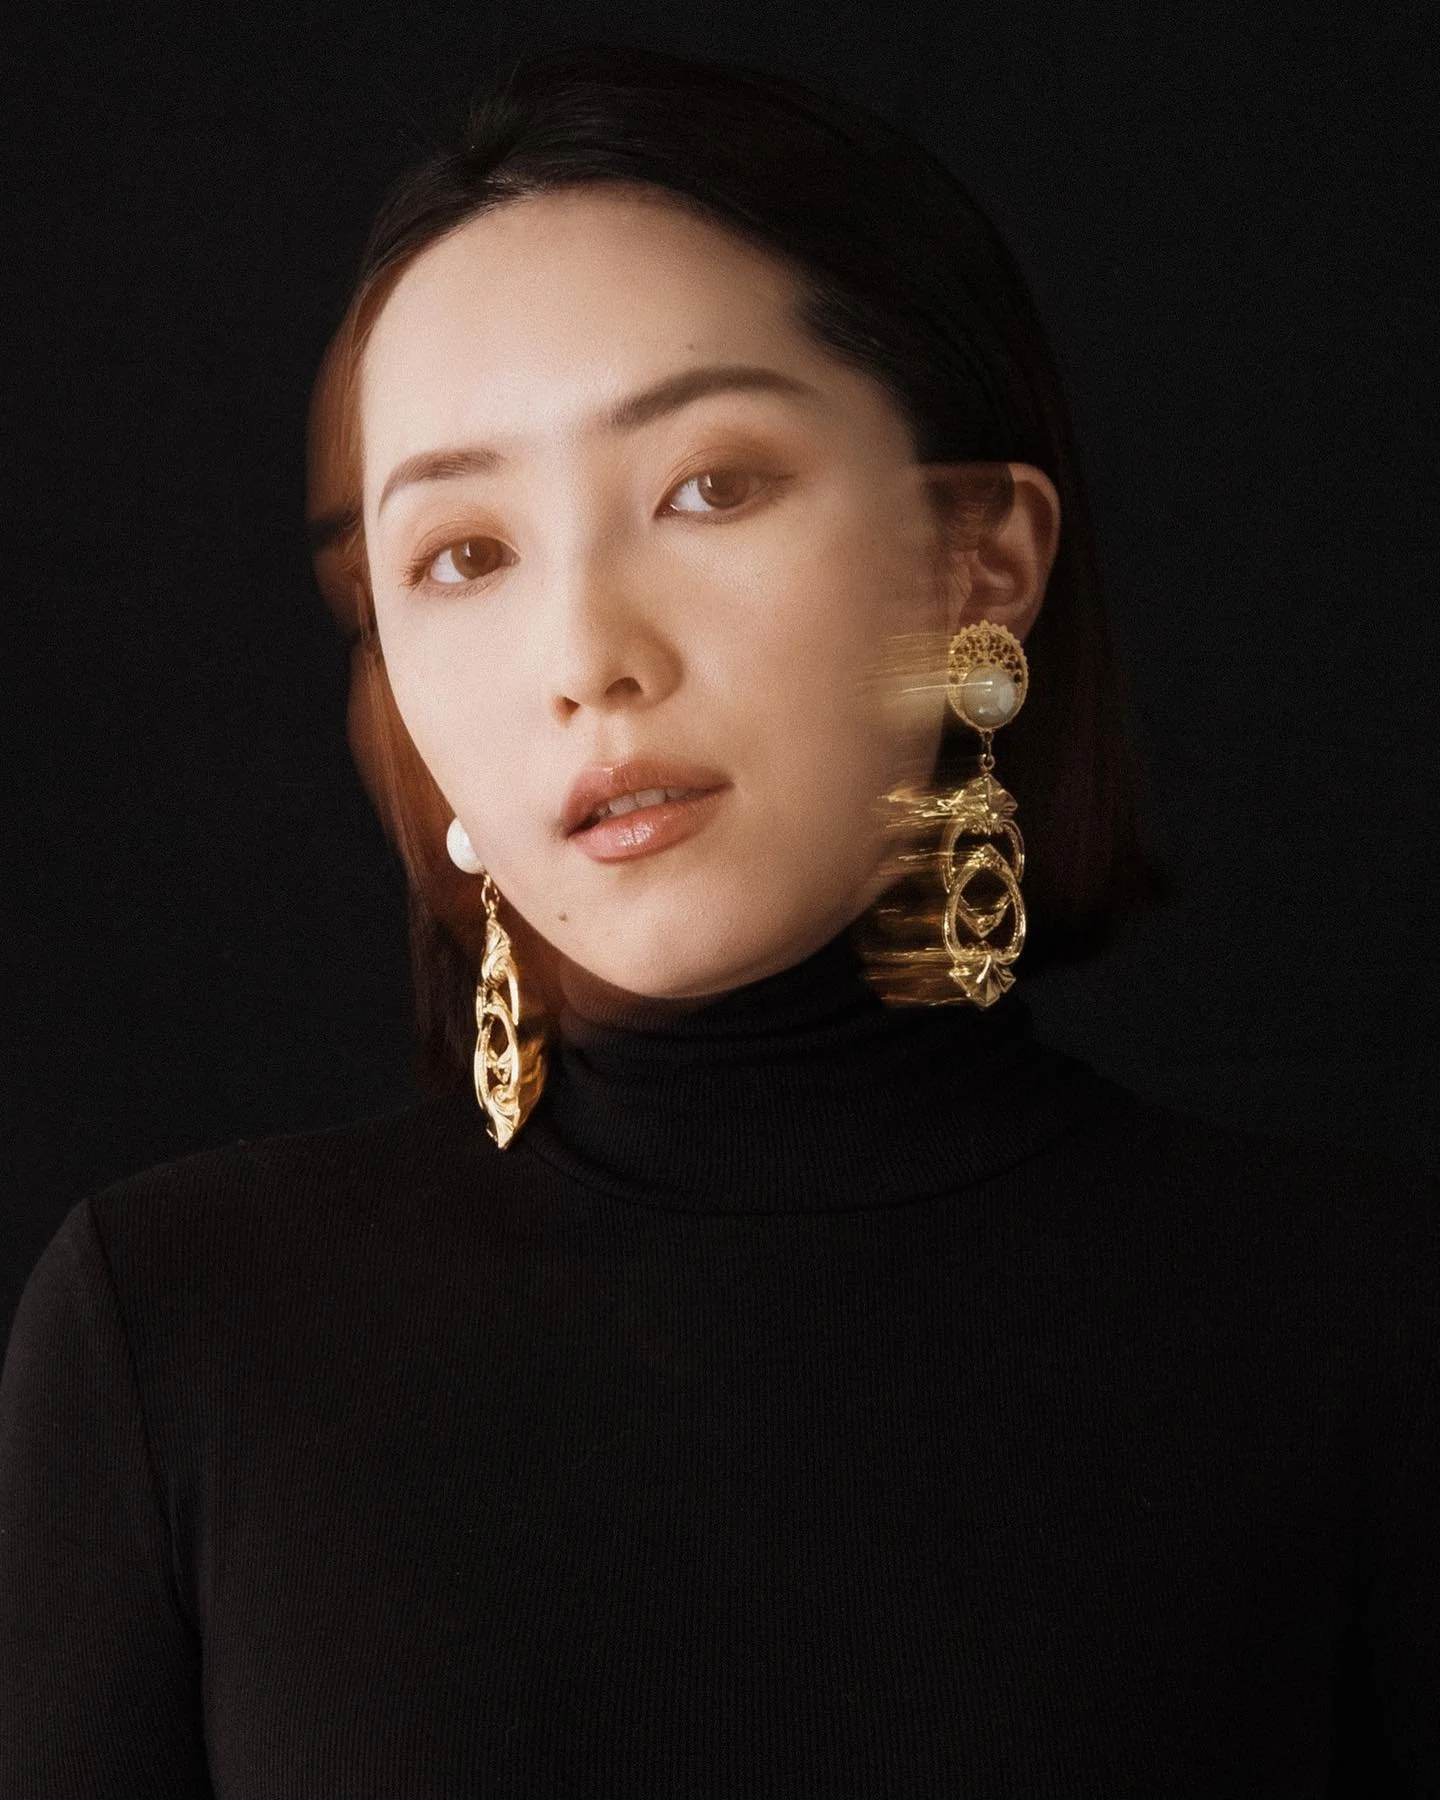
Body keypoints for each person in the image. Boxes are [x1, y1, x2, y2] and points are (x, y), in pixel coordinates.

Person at [1, 41, 1434, 1798]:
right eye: (459, 553)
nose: (588, 655)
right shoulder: (175, 1334)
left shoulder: (1358, 1321)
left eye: (709, 485)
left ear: (976, 559)